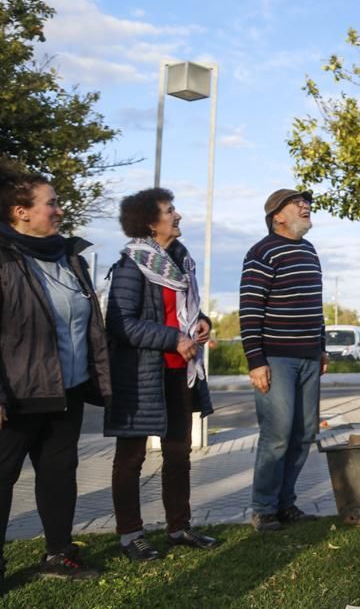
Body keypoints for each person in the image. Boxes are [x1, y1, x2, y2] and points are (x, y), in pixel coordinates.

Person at [0, 163, 111, 585]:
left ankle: (58, 554)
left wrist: (99, 381)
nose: (60, 211)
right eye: (52, 203)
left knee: (59, 474)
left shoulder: (72, 259)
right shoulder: (4, 257)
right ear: (20, 211)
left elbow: (91, 325)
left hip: (68, 390)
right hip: (17, 393)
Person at [105, 188, 220, 561]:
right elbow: (121, 325)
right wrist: (174, 338)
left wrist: (202, 324)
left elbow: (187, 313)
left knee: (178, 453)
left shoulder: (181, 262)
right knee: (131, 458)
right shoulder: (132, 265)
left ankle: (179, 526)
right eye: (171, 211)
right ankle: (130, 535)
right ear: (151, 223)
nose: (179, 216)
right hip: (141, 375)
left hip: (179, 373)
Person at [240, 188, 327, 532]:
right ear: (278, 216)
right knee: (276, 435)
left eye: (307, 203)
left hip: (308, 358)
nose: (306, 206)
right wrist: (255, 361)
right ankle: (263, 509)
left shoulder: (309, 250)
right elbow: (249, 310)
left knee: (304, 434)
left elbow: (314, 306)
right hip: (276, 359)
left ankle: (285, 503)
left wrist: (320, 346)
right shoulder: (261, 252)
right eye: (298, 203)